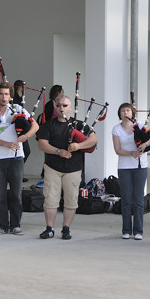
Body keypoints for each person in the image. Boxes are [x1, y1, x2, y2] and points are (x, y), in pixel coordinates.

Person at [35, 93, 97, 240]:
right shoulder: (49, 125)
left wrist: (78, 146)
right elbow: (42, 144)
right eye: (58, 105)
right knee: (50, 199)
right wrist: (58, 152)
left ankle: (66, 229)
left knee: (71, 200)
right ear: (55, 107)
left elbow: (93, 139)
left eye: (64, 105)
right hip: (53, 167)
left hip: (73, 168)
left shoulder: (80, 125)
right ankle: (49, 228)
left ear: (70, 107)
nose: (61, 108)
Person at [0, 81, 37, 235]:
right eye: (1, 94)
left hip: (16, 159)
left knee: (16, 194)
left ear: (10, 96)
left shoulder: (18, 109)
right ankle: (2, 225)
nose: (4, 97)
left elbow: (35, 126)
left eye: (6, 94)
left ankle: (15, 225)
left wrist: (26, 136)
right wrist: (7, 144)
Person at [112, 102, 150, 240]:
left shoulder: (140, 125)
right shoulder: (116, 129)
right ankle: (126, 230)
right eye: (123, 111)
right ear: (119, 114)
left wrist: (145, 144)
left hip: (140, 167)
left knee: (138, 199)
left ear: (132, 113)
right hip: (124, 167)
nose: (125, 113)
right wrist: (131, 153)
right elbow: (117, 150)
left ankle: (138, 231)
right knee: (126, 198)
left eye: (128, 110)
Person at [12, 79, 32, 176]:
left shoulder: (20, 99)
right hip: (16, 128)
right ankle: (16, 173)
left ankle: (17, 173)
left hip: (22, 128)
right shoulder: (14, 100)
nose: (26, 89)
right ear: (20, 87)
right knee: (24, 151)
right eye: (24, 87)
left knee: (25, 151)